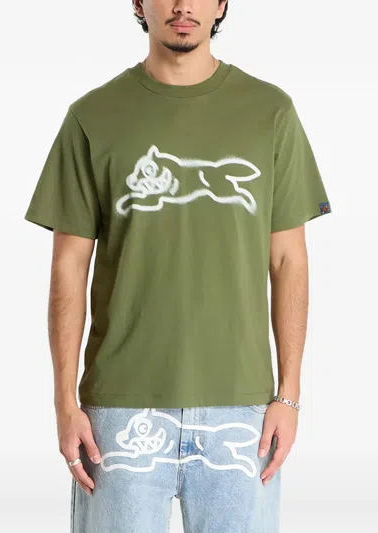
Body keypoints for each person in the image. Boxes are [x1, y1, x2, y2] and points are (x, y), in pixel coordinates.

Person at [24, 1, 332, 531]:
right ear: (139, 3)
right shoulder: (92, 116)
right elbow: (68, 268)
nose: (183, 5)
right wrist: (63, 403)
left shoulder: (270, 112)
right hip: (119, 409)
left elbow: (288, 260)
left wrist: (290, 394)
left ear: (221, 5)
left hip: (243, 406)